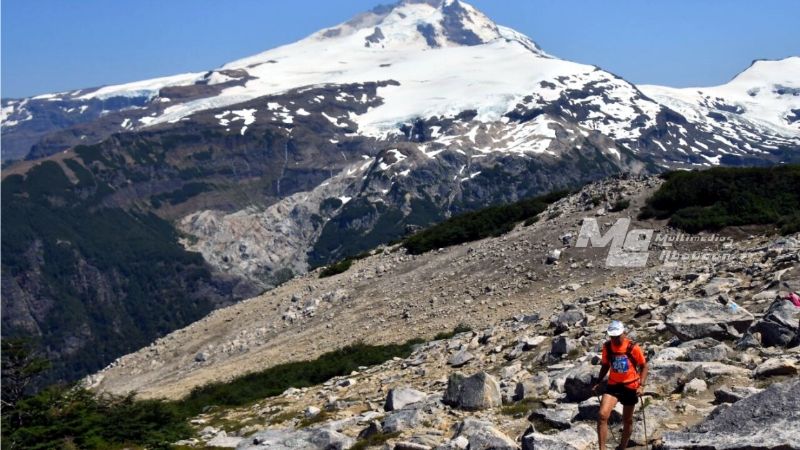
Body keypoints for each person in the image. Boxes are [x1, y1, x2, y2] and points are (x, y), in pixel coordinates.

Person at [592, 320, 648, 450]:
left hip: (630, 386)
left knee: (627, 420)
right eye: (612, 336)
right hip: (614, 385)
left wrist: (641, 385)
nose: (615, 339)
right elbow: (605, 365)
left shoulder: (633, 347)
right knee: (602, 415)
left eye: (617, 336)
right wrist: (598, 381)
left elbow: (644, 366)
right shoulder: (607, 347)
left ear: (624, 333)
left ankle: (622, 447)